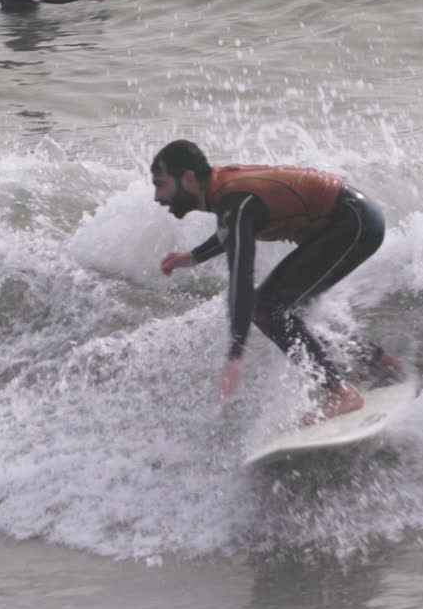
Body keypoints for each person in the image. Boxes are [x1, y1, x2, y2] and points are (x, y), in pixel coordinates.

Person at [152, 140, 403, 424]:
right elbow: (232, 229)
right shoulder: (223, 192)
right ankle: (378, 363)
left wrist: (235, 355)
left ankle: (340, 392)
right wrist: (195, 256)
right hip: (352, 217)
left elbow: (241, 278)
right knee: (290, 308)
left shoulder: (232, 200)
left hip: (353, 222)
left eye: (161, 185)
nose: (157, 197)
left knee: (267, 307)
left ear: (187, 179)